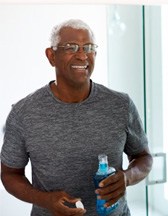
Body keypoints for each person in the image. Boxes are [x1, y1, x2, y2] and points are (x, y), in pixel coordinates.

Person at [0, 19, 153, 216]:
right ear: (51, 56)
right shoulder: (23, 113)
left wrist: (127, 177)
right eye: (71, 47)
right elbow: (10, 174)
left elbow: (144, 157)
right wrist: (44, 200)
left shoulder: (120, 105)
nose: (82, 55)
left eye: (88, 47)